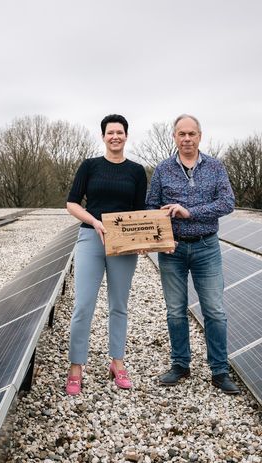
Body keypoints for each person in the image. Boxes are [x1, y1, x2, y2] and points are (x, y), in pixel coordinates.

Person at [145, 114, 239, 394]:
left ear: (200, 136)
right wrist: (164, 233)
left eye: (191, 134)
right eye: (181, 134)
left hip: (206, 247)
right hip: (172, 250)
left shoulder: (215, 167)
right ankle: (180, 365)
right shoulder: (162, 170)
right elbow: (150, 206)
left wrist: (190, 212)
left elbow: (227, 203)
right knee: (175, 311)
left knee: (215, 311)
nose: (186, 139)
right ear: (174, 137)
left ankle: (220, 371)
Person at [65, 114, 147, 396]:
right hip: (91, 237)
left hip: (123, 244)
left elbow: (140, 212)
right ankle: (76, 366)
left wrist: (143, 239)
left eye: (120, 132)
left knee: (119, 305)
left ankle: (118, 362)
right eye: (110, 132)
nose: (115, 137)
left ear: (126, 136)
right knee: (83, 305)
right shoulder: (89, 167)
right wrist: (96, 222)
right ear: (103, 136)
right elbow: (72, 203)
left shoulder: (136, 172)